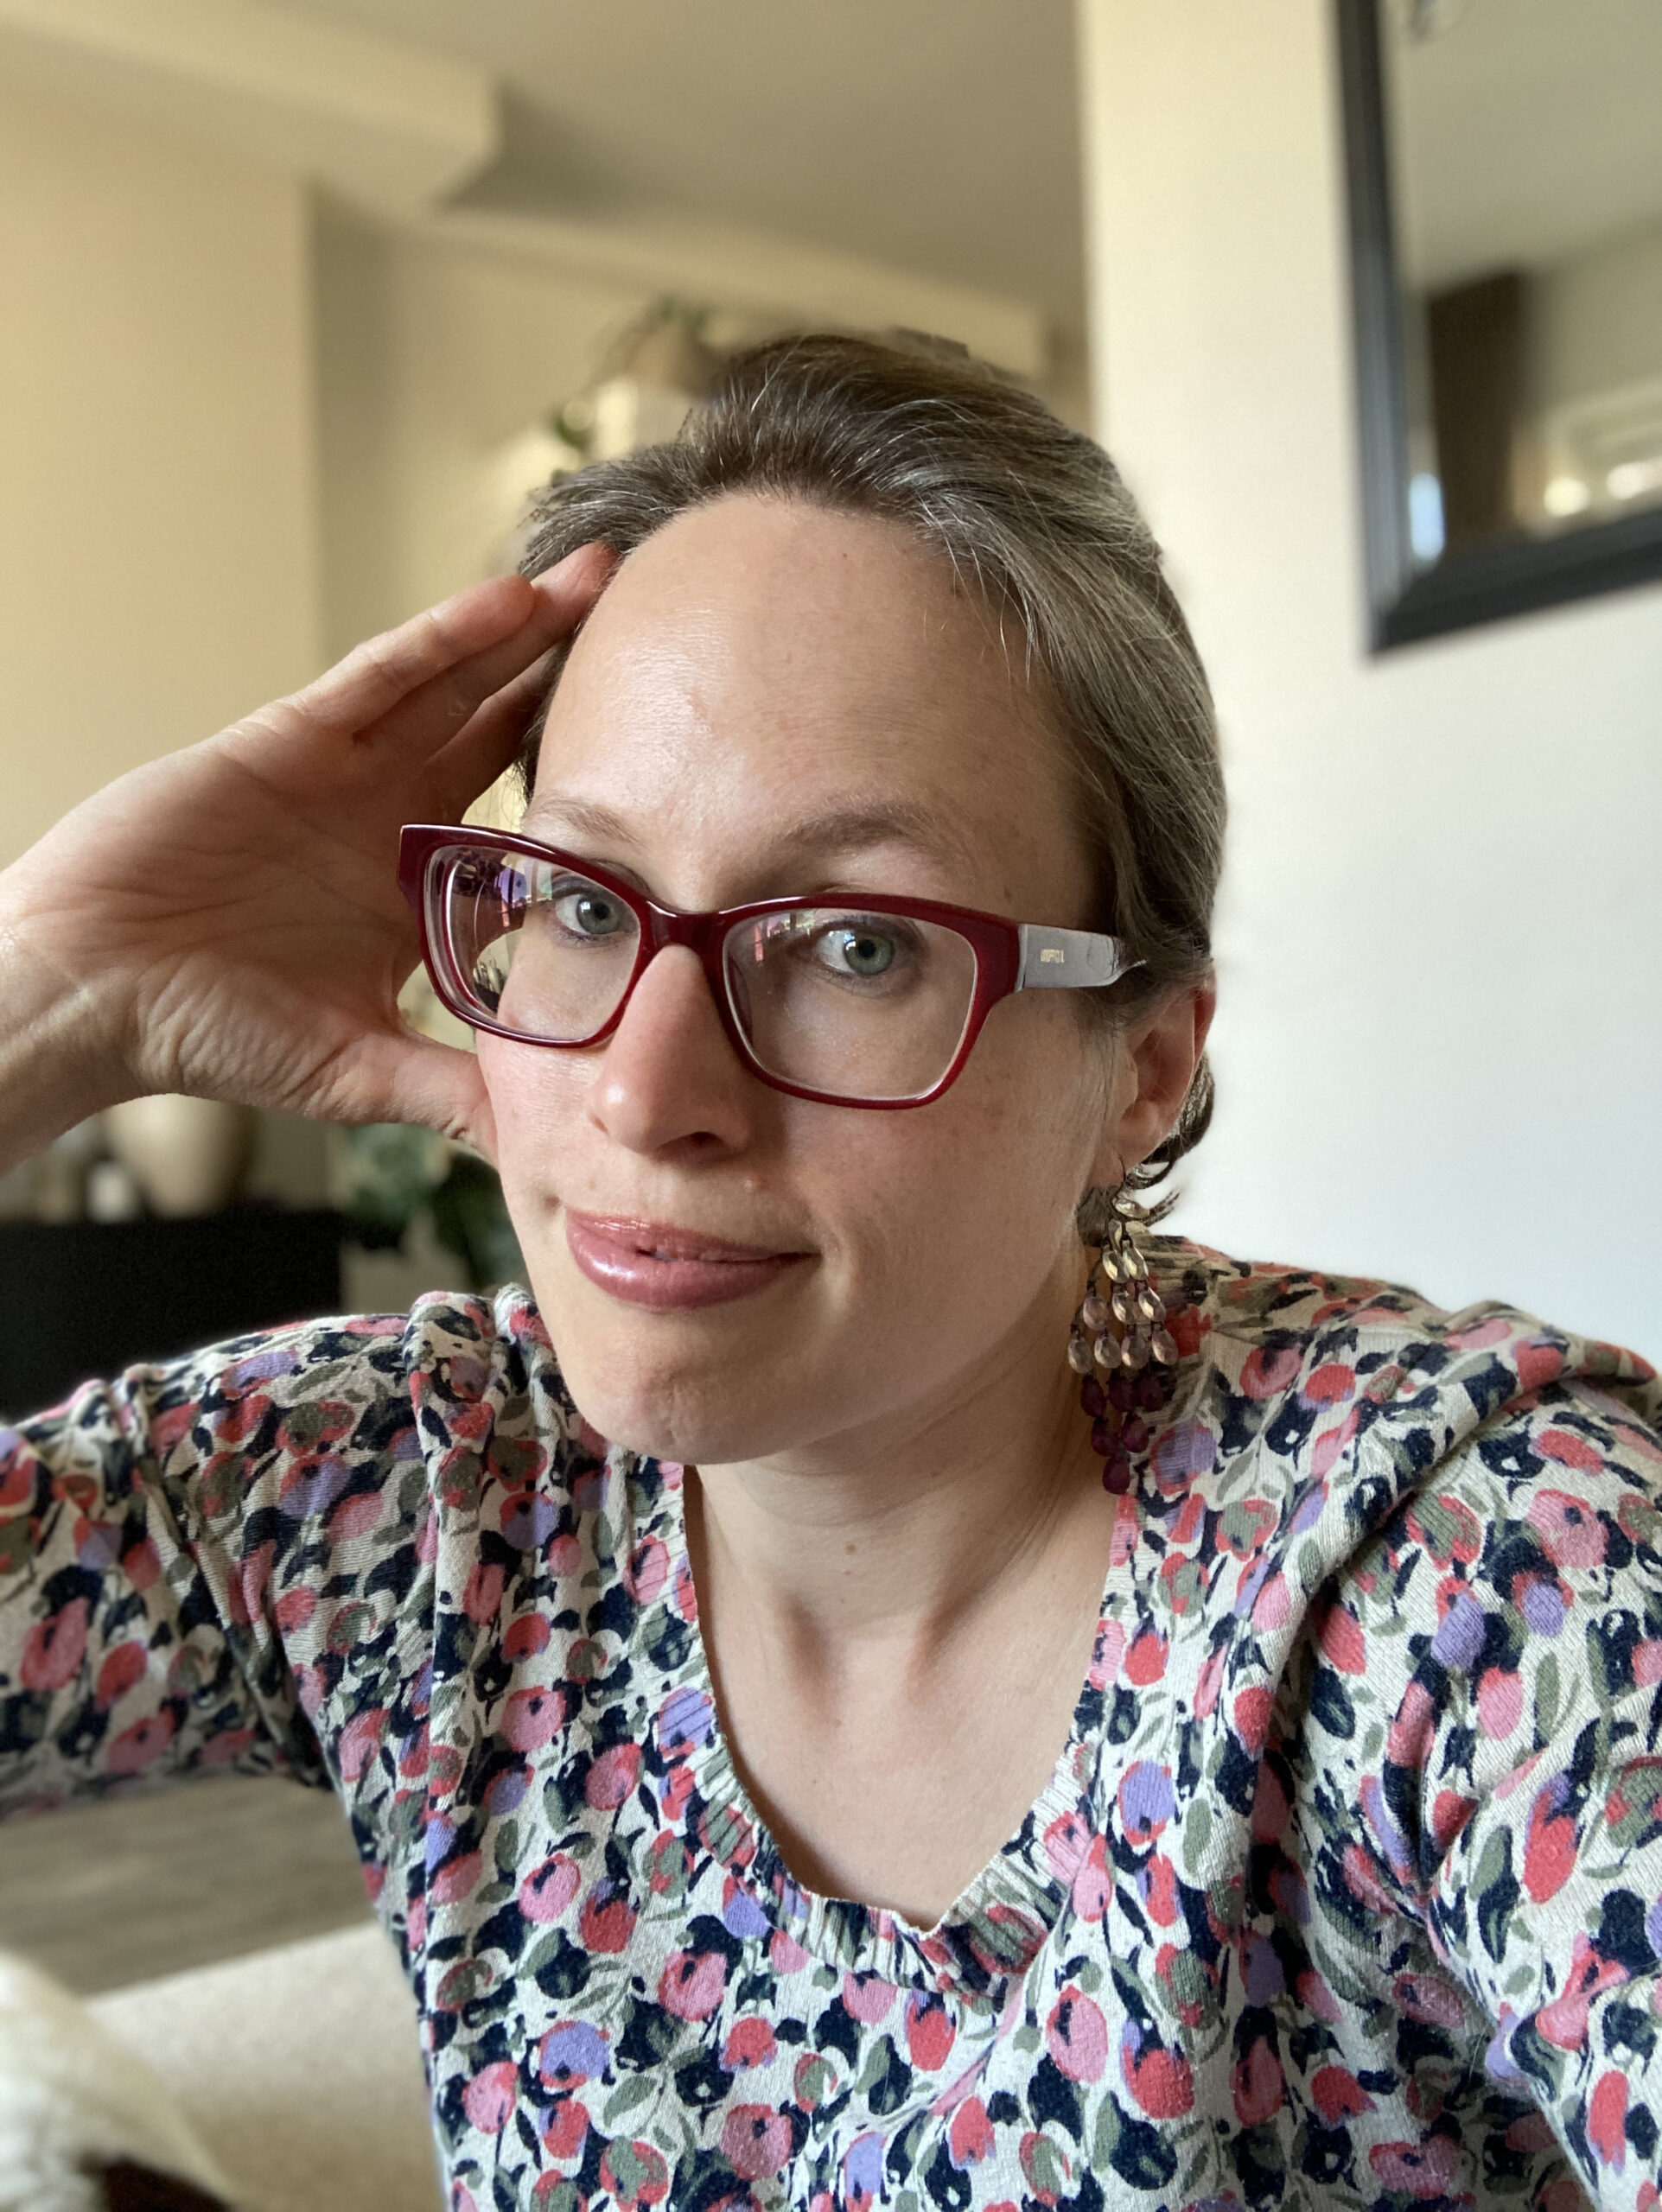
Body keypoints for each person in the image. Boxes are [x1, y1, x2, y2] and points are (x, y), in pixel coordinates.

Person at [1, 334, 1657, 2212]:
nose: (644, 1091)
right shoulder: (423, 1502)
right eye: (578, 900)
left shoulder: (1465, 1578)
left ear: (1138, 1065)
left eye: (856, 943)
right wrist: (52, 994)